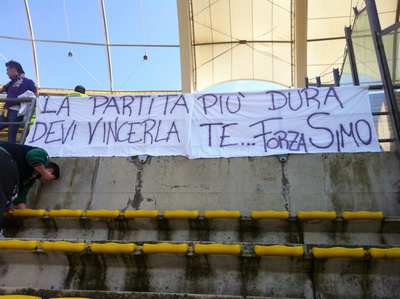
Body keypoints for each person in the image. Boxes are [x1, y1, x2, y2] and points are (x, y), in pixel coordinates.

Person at [0, 142, 59, 228]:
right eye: (50, 178)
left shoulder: (30, 178)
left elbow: (20, 195)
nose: (46, 181)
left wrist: (24, 212)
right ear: (50, 171)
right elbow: (32, 156)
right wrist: (44, 172)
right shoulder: (43, 155)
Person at [0, 61, 38, 143]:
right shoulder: (11, 83)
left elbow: (36, 93)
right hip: (6, 111)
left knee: (11, 134)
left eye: (8, 70)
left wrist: (24, 100)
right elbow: (2, 89)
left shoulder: (28, 82)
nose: (6, 73)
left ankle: (11, 153)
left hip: (16, 111)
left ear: (14, 69)